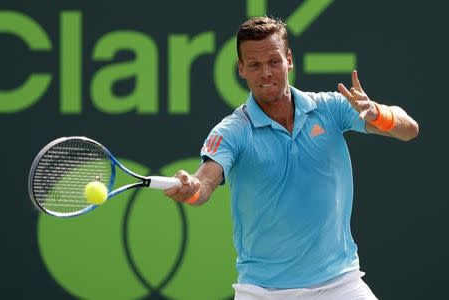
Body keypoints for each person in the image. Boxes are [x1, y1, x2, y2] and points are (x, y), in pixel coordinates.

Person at [165, 16, 419, 300]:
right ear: (241, 70)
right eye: (254, 65)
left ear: (289, 60)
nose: (266, 73)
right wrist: (190, 188)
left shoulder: (331, 108)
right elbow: (204, 184)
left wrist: (376, 113)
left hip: (340, 284)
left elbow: (409, 130)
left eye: (273, 61)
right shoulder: (232, 131)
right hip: (263, 292)